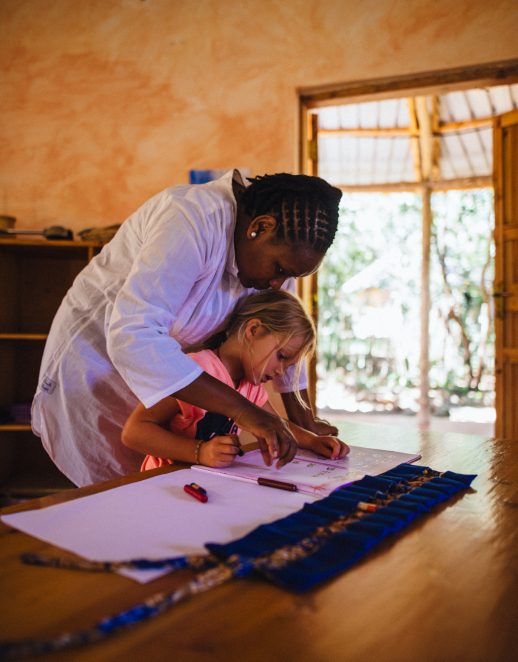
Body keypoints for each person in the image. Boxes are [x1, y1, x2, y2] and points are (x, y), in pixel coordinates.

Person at [32, 170, 342, 487]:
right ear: (259, 228)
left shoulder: (276, 248)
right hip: (95, 365)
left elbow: (286, 331)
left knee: (150, 496)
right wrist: (244, 411)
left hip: (173, 385)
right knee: (102, 500)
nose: (278, 284)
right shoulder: (190, 218)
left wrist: (303, 419)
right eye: (279, 270)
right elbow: (134, 336)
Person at [121, 290, 349, 470]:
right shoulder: (197, 371)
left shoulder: (252, 387)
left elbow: (277, 424)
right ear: (253, 329)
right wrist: (199, 452)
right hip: (164, 486)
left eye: (287, 367)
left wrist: (312, 441)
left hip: (208, 486)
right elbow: (134, 431)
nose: (280, 372)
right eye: (281, 357)